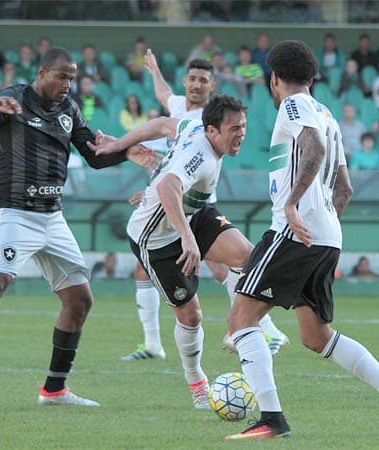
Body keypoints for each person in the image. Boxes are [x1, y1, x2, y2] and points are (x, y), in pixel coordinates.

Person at [0, 48, 158, 406]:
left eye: (72, 78)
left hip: (52, 216)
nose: (68, 84)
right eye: (62, 76)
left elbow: (93, 156)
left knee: (80, 300)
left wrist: (126, 153)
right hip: (13, 211)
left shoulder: (69, 109)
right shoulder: (13, 97)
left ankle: (54, 390)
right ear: (43, 72)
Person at [224, 40, 379, 441]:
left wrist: (294, 207)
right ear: (313, 77)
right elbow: (345, 187)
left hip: (295, 232)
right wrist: (323, 221)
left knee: (241, 319)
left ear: (274, 79)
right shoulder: (328, 114)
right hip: (327, 235)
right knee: (316, 337)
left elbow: (313, 150)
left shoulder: (293, 105)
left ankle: (272, 418)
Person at [122, 48, 288, 361]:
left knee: (229, 265)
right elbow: (164, 98)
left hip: (195, 208)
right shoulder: (178, 109)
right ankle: (155, 343)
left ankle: (258, 328)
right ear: (185, 81)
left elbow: (177, 167)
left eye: (203, 80)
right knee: (150, 270)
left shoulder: (208, 119)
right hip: (172, 204)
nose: (197, 85)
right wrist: (154, 69)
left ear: (212, 86)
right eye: (193, 79)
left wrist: (151, 179)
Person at [93, 95, 257, 408]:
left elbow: (161, 124)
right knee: (191, 316)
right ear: (212, 131)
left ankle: (236, 328)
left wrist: (118, 145)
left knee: (249, 258)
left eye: (244, 127)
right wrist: (188, 238)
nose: (241, 134)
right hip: (154, 239)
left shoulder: (194, 127)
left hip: (194, 213)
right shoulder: (203, 155)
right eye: (234, 128)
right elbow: (169, 185)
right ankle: (197, 384)